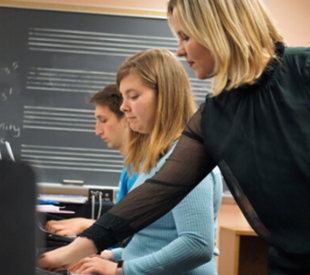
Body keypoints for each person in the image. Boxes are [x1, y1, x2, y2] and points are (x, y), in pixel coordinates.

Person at [39, 0, 310, 273]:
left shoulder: (304, 70)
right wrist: (71, 252)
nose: (180, 51)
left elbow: (196, 243)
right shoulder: (214, 115)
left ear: (218, 28)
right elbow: (160, 191)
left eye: (186, 36)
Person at [40, 49, 223, 275]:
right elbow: (152, 241)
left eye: (133, 96)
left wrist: (121, 269)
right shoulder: (155, 159)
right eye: (123, 97)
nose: (124, 106)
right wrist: (110, 255)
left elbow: (197, 246)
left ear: (165, 96)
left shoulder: (189, 161)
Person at [45, 84, 139, 236]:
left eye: (103, 120)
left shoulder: (142, 168)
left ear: (126, 118)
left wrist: (85, 225)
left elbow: (135, 236)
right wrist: (86, 223)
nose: (97, 131)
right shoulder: (130, 165)